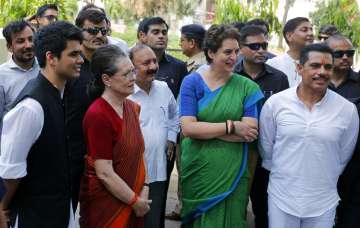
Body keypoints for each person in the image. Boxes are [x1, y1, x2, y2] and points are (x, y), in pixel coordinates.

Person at [259, 43, 359, 228]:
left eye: (328, 67)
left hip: (323, 201)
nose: (322, 72)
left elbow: (343, 157)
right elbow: (267, 149)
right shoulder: (276, 104)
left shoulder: (347, 110)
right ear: (299, 68)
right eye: (315, 65)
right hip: (282, 197)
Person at [0, 21, 83, 228]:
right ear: (51, 58)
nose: (80, 60)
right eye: (73, 54)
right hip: (34, 216)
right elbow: (10, 171)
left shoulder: (59, 94)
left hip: (59, 211)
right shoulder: (31, 107)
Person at [180, 24, 263, 227]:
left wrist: (205, 130)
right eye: (227, 52)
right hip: (199, 170)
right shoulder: (192, 83)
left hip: (234, 171)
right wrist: (232, 126)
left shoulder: (247, 87)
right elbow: (188, 129)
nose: (234, 57)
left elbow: (250, 132)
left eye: (236, 51)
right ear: (210, 52)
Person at [79, 45, 151, 227]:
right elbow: (104, 172)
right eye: (126, 74)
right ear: (106, 79)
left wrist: (146, 188)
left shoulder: (132, 108)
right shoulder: (98, 114)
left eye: (133, 71)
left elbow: (140, 153)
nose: (133, 78)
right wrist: (134, 201)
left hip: (135, 197)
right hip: (108, 203)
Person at [235, 25, 289, 228]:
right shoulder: (232, 76)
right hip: (235, 150)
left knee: (263, 208)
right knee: (234, 207)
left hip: (268, 155)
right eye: (254, 46)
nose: (261, 50)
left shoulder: (279, 78)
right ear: (241, 48)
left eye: (264, 45)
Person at [138, 16, 187, 227]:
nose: (161, 36)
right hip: (133, 154)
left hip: (163, 149)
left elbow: (176, 110)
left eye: (164, 32)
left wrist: (171, 138)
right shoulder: (124, 72)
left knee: (158, 197)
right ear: (142, 36)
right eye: (155, 32)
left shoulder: (177, 67)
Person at [128, 44, 179, 228]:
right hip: (131, 175)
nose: (153, 66)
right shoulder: (125, 95)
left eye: (154, 61)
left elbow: (175, 115)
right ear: (131, 67)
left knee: (153, 220)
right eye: (146, 63)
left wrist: (172, 137)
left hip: (158, 171)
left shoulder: (163, 88)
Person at [64, 9, 108, 211]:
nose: (99, 35)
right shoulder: (68, 65)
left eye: (103, 31)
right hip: (70, 154)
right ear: (78, 31)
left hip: (102, 153)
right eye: (92, 30)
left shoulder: (108, 66)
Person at [0, 20, 39, 114]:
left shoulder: (46, 67)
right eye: (20, 41)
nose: (28, 45)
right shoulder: (1, 75)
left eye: (31, 39)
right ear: (9, 47)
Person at [267, 17, 314, 87]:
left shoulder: (318, 64)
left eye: (311, 29)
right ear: (289, 36)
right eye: (304, 30)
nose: (310, 33)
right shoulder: (272, 64)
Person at [325, 35, 360, 99]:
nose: (345, 57)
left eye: (350, 53)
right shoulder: (317, 81)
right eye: (339, 53)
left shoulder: (358, 81)